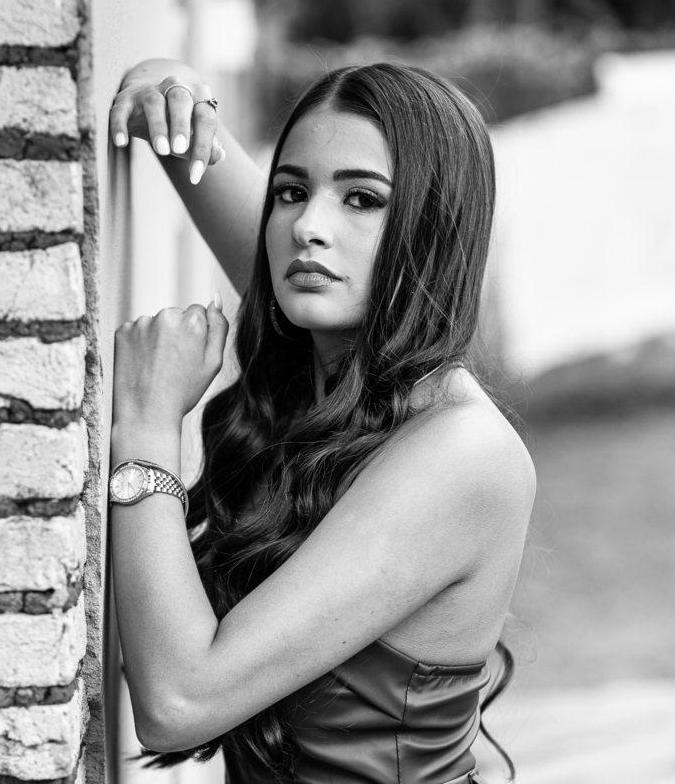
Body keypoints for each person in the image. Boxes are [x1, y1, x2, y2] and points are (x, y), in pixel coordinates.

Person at [106, 57, 536, 784]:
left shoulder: (460, 451)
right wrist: (173, 87)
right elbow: (181, 125)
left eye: (362, 199)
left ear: (433, 229)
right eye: (291, 191)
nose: (309, 226)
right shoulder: (331, 345)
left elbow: (179, 701)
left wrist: (145, 429)